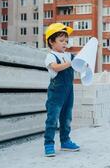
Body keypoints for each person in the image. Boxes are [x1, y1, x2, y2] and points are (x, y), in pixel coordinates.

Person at [44, 23, 80, 157]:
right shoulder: (51, 56)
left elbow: (80, 64)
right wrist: (70, 63)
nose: (65, 43)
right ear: (51, 42)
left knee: (66, 117)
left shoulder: (69, 55)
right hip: (56, 92)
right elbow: (55, 68)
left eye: (66, 40)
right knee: (52, 118)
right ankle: (48, 144)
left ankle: (65, 141)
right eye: (61, 40)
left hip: (69, 91)